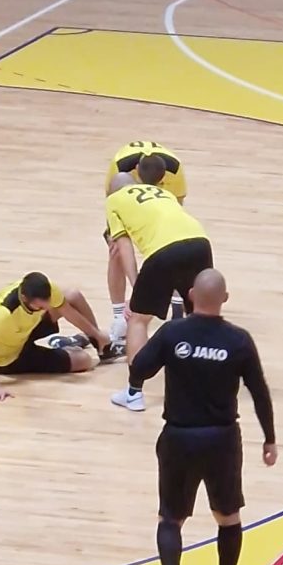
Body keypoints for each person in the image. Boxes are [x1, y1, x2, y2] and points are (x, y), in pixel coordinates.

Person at [122, 266, 278, 565]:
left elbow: (139, 368)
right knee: (228, 516)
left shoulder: (173, 333)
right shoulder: (238, 340)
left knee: (171, 519)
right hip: (221, 440)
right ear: (225, 299)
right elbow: (259, 391)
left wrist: (140, 337)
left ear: (191, 295)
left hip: (179, 437)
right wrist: (269, 438)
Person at [105, 154, 214, 398]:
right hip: (200, 243)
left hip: (164, 251)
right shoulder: (164, 194)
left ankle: (134, 392)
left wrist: (137, 289)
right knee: (200, 317)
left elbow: (124, 248)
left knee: (138, 320)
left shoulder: (114, 201)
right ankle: (203, 385)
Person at [0, 273, 114, 401]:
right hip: (10, 356)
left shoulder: (46, 290)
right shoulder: (2, 313)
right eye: (41, 307)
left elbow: (68, 312)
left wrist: (96, 334)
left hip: (27, 329)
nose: (47, 308)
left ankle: (101, 346)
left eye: (47, 304)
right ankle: (67, 345)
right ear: (24, 298)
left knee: (73, 296)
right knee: (84, 360)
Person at [104, 139, 188, 345]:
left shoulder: (175, 173)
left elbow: (175, 214)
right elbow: (112, 207)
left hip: (159, 204)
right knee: (116, 248)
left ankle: (177, 304)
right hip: (124, 192)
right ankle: (119, 316)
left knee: (174, 240)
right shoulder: (120, 171)